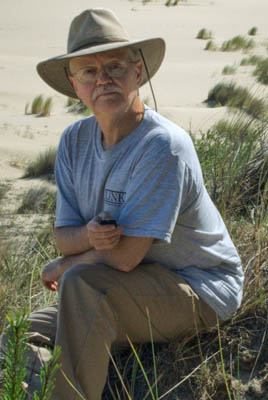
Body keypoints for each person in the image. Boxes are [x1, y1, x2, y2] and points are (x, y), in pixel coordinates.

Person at [1, 8, 244, 400]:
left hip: (199, 288)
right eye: (89, 71)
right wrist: (88, 237)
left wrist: (63, 265)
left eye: (114, 66)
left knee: (80, 284)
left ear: (138, 72)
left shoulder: (162, 147)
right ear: (73, 82)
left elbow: (126, 257)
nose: (103, 80)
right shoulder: (74, 142)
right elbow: (65, 236)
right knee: (17, 337)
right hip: (126, 284)